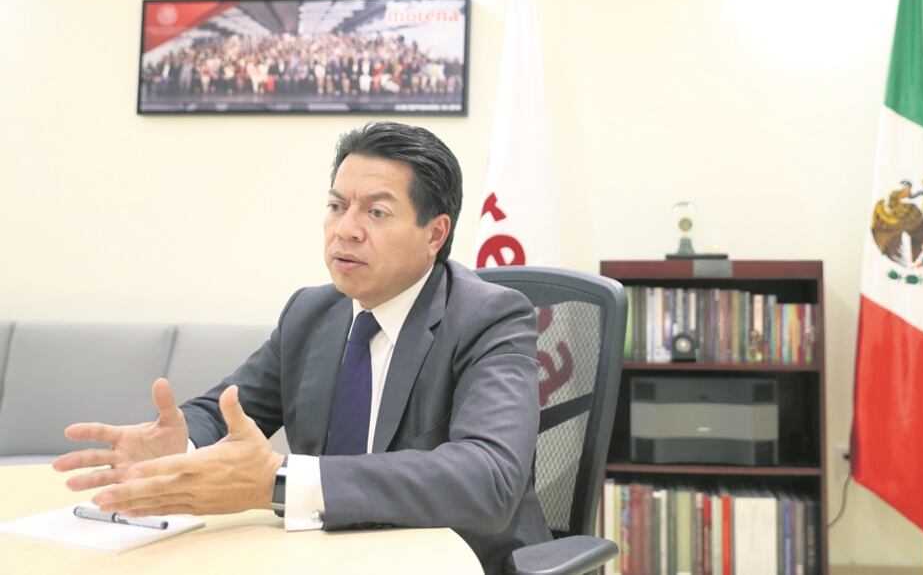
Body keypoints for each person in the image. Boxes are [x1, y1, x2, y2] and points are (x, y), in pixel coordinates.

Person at [52, 121, 551, 574]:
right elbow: (229, 410)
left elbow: (489, 477)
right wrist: (180, 446)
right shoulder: (310, 315)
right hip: (325, 558)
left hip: (453, 562)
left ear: (434, 233)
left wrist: (283, 480)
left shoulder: (490, 317)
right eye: (337, 206)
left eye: (376, 212)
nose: (345, 229)